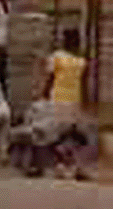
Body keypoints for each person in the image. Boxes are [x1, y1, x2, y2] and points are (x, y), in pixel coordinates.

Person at [31, 28, 93, 180]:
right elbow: (83, 84)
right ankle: (72, 167)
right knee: (72, 135)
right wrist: (85, 102)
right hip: (71, 100)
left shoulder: (59, 57)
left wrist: (43, 96)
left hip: (60, 99)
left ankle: (59, 166)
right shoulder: (80, 61)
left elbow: (50, 79)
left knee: (57, 134)